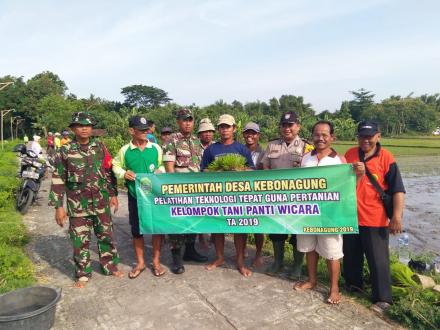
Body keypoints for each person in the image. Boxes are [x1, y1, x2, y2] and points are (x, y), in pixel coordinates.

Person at [49, 112, 123, 288]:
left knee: (106, 236)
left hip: (101, 202)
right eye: (80, 125)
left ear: (91, 128)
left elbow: (108, 172)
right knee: (80, 240)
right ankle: (82, 273)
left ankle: (109, 266)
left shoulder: (100, 146)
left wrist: (113, 194)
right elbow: (58, 178)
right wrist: (58, 206)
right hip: (77, 205)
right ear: (73, 128)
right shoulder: (65, 150)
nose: (84, 128)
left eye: (87, 125)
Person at [343, 120, 405, 313]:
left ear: (378, 136)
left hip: (375, 218)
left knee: (378, 260)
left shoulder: (386, 157)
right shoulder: (350, 154)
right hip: (351, 216)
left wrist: (396, 217)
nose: (366, 140)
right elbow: (340, 183)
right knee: (351, 256)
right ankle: (354, 287)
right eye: (362, 136)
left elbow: (397, 190)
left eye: (370, 137)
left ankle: (382, 298)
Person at [293, 120, 346, 304]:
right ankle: (312, 280)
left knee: (332, 252)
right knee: (310, 248)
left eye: (325, 135)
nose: (320, 138)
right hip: (308, 213)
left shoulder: (340, 161)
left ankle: (334, 288)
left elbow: (346, 189)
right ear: (312, 136)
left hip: (329, 215)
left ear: (332, 137)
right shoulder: (306, 158)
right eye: (317, 134)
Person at [201, 114, 255, 277]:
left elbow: (252, 170)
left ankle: (240, 261)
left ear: (234, 129)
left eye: (228, 126)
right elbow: (203, 170)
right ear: (218, 129)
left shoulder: (241, 149)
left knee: (240, 228)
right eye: (222, 127)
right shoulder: (211, 149)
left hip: (238, 197)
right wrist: (218, 171)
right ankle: (219, 257)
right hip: (217, 196)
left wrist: (239, 170)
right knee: (218, 228)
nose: (224, 129)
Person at [261, 111, 314, 276]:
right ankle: (278, 263)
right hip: (276, 198)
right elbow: (266, 167)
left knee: (298, 232)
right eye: (284, 125)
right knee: (277, 232)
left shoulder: (307, 147)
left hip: (297, 199)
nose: (287, 128)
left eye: (290, 125)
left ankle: (297, 265)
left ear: (298, 126)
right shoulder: (272, 145)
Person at [113, 115, 166, 278]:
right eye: (141, 130)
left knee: (157, 228)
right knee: (137, 230)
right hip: (135, 196)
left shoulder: (155, 148)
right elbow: (115, 165)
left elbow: (162, 164)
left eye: (146, 129)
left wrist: (160, 171)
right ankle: (140, 263)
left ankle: (156, 262)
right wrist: (123, 173)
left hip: (154, 196)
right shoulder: (125, 151)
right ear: (132, 131)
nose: (145, 132)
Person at [163, 108, 208, 274]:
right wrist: (174, 192)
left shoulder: (197, 141)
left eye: (190, 120)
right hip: (179, 191)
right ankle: (176, 259)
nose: (188, 123)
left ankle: (190, 251)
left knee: (193, 223)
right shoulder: (171, 141)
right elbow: (169, 169)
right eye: (184, 120)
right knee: (177, 225)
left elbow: (201, 166)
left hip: (196, 192)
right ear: (178, 122)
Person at [242, 122, 265, 267]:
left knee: (258, 226)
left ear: (258, 135)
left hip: (258, 194)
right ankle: (242, 250)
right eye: (247, 133)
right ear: (243, 134)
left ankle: (258, 254)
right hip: (241, 193)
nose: (250, 135)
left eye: (253, 133)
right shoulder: (238, 150)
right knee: (242, 224)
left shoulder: (264, 153)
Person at [197, 117, 216, 250]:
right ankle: (202, 238)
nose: (208, 134)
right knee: (200, 212)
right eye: (204, 131)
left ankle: (215, 237)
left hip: (215, 186)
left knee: (215, 211)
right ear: (199, 134)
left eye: (210, 131)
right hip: (198, 185)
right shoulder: (193, 146)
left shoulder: (218, 146)